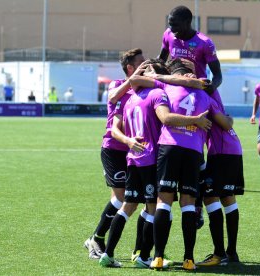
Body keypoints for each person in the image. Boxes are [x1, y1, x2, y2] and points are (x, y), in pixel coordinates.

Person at [99, 59, 211, 268]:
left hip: (132, 157)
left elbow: (116, 126)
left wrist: (128, 141)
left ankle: (109, 253)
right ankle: (146, 256)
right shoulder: (159, 93)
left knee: (128, 206)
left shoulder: (131, 98)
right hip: (151, 157)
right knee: (155, 207)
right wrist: (195, 119)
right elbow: (166, 118)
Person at [144, 59, 231, 271]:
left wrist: (155, 74)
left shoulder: (166, 86)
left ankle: (157, 256)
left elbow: (163, 116)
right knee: (188, 204)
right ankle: (189, 259)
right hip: (193, 151)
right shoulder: (206, 95)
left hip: (170, 147)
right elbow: (225, 123)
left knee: (164, 202)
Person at [84, 48, 145, 260]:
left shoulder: (143, 88)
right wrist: (133, 80)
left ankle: (99, 239)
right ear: (130, 68)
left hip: (133, 150)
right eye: (141, 62)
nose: (145, 65)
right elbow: (111, 96)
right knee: (122, 197)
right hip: (113, 148)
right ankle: (96, 239)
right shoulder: (118, 85)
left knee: (128, 200)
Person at [197, 89, 244, 266]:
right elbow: (227, 121)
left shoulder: (205, 99)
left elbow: (226, 124)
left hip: (222, 152)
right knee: (227, 198)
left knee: (210, 197)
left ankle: (219, 254)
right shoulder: (214, 94)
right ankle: (231, 252)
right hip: (232, 149)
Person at [159, 5, 222, 95]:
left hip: (196, 89)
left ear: (188, 22)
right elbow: (161, 61)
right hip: (174, 87)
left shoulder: (205, 43)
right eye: (170, 24)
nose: (172, 29)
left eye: (176, 25)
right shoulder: (168, 34)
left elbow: (218, 76)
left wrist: (210, 87)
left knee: (218, 108)